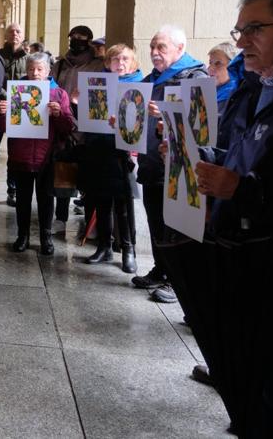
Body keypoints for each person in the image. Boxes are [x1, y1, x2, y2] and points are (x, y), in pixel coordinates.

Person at [188, 0, 273, 436]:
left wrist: (242, 190)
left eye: (254, 29)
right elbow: (233, 151)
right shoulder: (251, 89)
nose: (241, 42)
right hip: (240, 256)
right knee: (244, 374)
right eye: (239, 31)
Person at [132, 25, 207, 304]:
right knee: (155, 221)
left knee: (176, 225)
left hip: (177, 165)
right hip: (152, 161)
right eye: (152, 46)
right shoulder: (152, 77)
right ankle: (161, 269)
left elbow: (201, 125)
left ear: (180, 49)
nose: (154, 52)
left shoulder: (195, 77)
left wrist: (164, 111)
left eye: (161, 47)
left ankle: (177, 281)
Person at [0, 52, 74, 255]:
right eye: (31, 69)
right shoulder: (17, 91)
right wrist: (2, 113)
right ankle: (22, 236)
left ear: (48, 71)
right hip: (20, 155)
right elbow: (3, 126)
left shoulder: (59, 94)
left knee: (46, 198)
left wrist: (59, 114)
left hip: (47, 156)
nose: (35, 73)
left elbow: (68, 127)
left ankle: (45, 237)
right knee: (22, 199)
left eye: (40, 69)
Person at [78, 44, 143, 272]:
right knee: (101, 201)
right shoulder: (97, 84)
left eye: (125, 59)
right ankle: (104, 247)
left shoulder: (139, 85)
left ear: (132, 62)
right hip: (98, 149)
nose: (120, 63)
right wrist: (79, 104)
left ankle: (128, 249)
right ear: (108, 62)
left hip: (122, 154)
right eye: (115, 59)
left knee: (123, 204)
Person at [51, 26, 105, 229]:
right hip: (64, 126)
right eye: (73, 37)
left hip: (88, 128)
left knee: (89, 177)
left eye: (81, 38)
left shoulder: (98, 66)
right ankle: (61, 217)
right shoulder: (60, 65)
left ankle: (90, 219)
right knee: (63, 172)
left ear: (89, 41)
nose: (76, 41)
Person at [0, 23, 28, 206]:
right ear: (6, 35)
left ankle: (14, 189)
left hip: (22, 108)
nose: (15, 34)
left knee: (16, 149)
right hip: (2, 105)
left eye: (18, 31)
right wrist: (7, 97)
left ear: (22, 35)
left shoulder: (29, 58)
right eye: (11, 31)